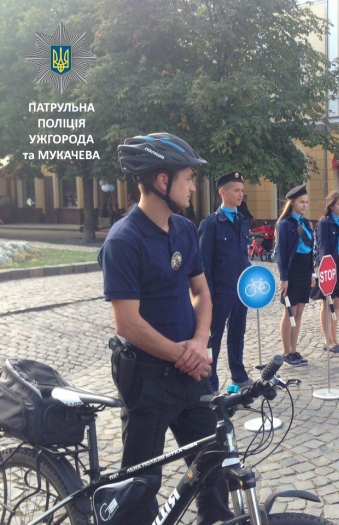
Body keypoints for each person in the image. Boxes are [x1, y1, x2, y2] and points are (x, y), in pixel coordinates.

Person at [98, 132, 233, 525]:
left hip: (191, 376)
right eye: (188, 178)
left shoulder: (184, 229)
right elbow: (127, 322)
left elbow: (202, 293)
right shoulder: (124, 240)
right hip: (147, 382)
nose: (193, 186)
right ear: (162, 181)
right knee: (139, 490)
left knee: (213, 471)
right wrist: (184, 355)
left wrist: (199, 341)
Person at [198, 171, 251, 392]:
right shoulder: (211, 224)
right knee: (214, 337)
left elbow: (244, 256)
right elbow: (203, 263)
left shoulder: (242, 220)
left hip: (240, 289)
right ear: (223, 192)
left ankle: (238, 374)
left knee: (237, 333)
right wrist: (206, 296)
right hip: (220, 291)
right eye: (236, 190)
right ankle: (210, 380)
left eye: (242, 190)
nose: (241, 195)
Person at [276, 184, 315, 366]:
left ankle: (294, 349)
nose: (304, 205)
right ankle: (286, 352)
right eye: (301, 202)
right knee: (289, 311)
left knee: (299, 312)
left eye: (306, 202)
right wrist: (284, 277)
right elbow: (282, 254)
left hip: (305, 270)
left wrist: (312, 273)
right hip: (291, 271)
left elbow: (310, 250)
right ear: (292, 203)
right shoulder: (285, 224)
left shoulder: (305, 223)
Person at [315, 191, 339, 353]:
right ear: (331, 205)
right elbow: (322, 248)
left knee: (337, 303)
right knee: (327, 302)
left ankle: (334, 338)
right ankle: (328, 340)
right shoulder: (325, 223)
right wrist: (323, 269)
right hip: (330, 265)